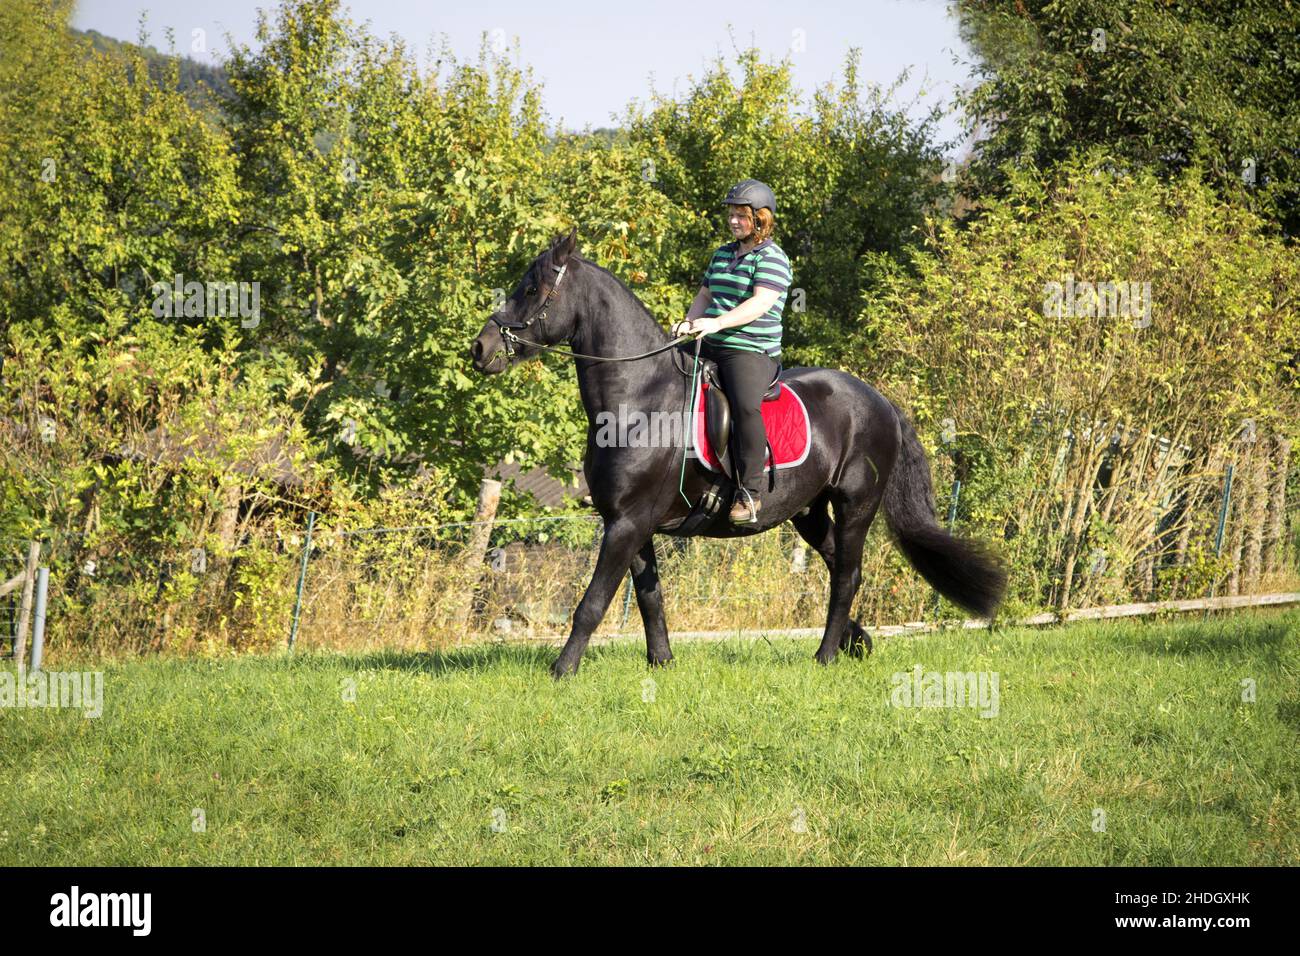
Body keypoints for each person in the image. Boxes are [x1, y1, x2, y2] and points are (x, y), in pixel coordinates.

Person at [672, 179, 793, 523]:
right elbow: (705, 296)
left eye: (741, 215)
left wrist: (715, 324)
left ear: (761, 218)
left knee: (745, 406)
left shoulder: (772, 257)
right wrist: (690, 321)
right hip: (710, 340)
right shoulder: (722, 254)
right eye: (732, 215)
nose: (733, 221)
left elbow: (759, 304)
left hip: (750, 349)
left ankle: (750, 492)